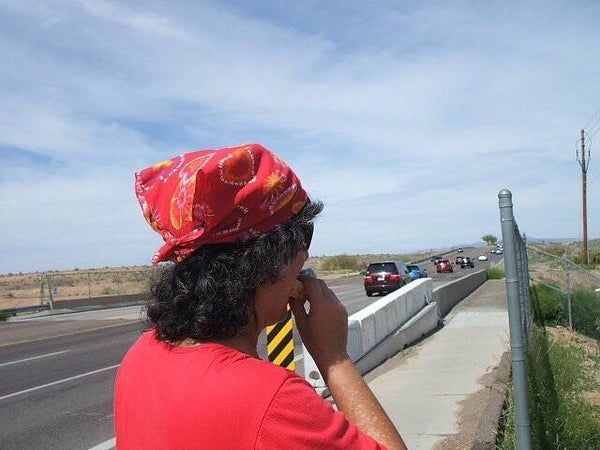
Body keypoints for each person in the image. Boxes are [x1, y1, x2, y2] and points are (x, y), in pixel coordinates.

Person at [114, 143, 407, 450]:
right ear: (269, 259)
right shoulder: (274, 400)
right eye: (303, 236)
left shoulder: (142, 354)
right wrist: (334, 359)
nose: (305, 255)